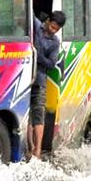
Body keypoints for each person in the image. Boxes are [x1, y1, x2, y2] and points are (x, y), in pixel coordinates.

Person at [30, 10, 66, 160]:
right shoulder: (36, 27)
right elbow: (28, 12)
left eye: (56, 29)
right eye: (52, 27)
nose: (53, 31)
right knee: (27, 113)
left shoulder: (55, 42)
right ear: (47, 21)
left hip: (39, 79)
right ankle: (30, 147)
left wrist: (35, 55)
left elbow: (51, 64)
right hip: (25, 77)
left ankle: (38, 149)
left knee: (38, 113)